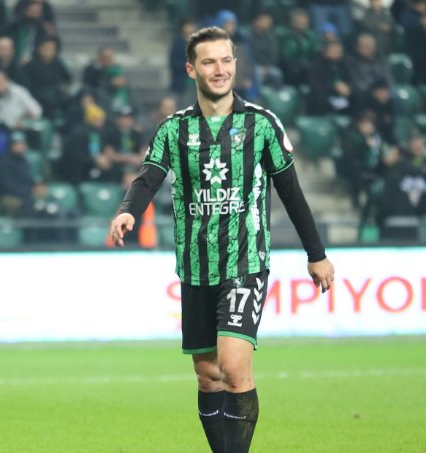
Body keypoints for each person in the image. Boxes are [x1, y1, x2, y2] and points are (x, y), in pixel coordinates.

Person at [108, 27, 334, 453]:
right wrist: (128, 210)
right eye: (209, 61)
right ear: (191, 69)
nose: (220, 69)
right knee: (208, 376)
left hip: (244, 261)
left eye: (226, 60)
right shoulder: (174, 129)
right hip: (196, 267)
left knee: (233, 367)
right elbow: (148, 177)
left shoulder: (261, 124)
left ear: (235, 64)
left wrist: (316, 254)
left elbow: (291, 191)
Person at [22, 37, 71, 119]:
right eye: (47, 48)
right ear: (40, 49)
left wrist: (63, 88)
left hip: (56, 93)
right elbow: (27, 83)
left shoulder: (57, 63)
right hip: (37, 94)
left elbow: (67, 79)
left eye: (52, 49)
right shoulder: (31, 64)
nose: (49, 51)